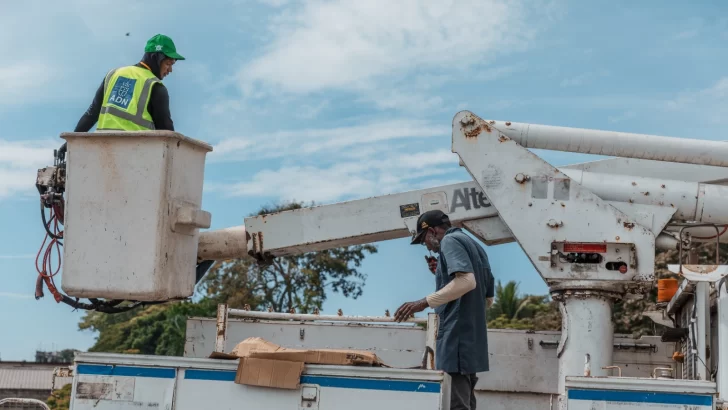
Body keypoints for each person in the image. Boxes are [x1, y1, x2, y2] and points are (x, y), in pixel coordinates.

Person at [394, 209, 495, 410]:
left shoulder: (449, 242)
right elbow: (489, 298)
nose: (428, 248)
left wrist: (422, 303)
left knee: (456, 404)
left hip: (456, 338)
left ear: (432, 231)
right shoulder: (474, 245)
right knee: (466, 402)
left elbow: (466, 281)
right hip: (470, 339)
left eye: (424, 241)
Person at [73, 33, 184, 133]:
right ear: (156, 58)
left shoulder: (113, 74)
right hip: (137, 152)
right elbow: (167, 133)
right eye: (168, 64)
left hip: (102, 150)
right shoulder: (155, 87)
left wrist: (71, 141)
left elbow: (91, 114)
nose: (170, 70)